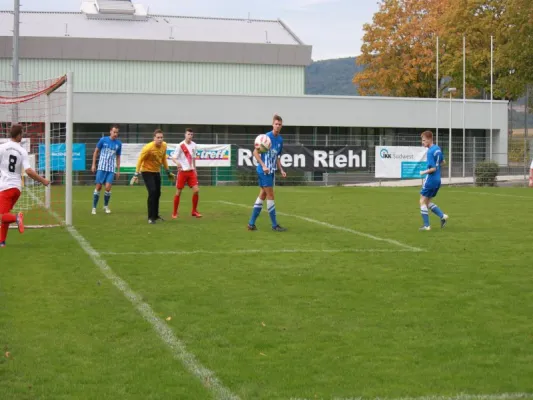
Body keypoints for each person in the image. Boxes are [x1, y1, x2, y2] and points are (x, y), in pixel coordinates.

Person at [0, 124, 50, 247]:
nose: (22, 136)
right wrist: (42, 180)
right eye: (22, 134)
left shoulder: (2, 148)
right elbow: (28, 171)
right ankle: (2, 242)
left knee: (2, 216)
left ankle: (17, 217)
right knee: (5, 214)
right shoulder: (22, 151)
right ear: (18, 135)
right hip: (16, 188)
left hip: (5, 187)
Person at [247, 114, 287, 232]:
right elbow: (255, 152)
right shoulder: (265, 138)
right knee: (270, 196)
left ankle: (251, 224)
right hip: (264, 171)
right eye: (276, 124)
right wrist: (263, 165)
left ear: (281, 126)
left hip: (271, 171)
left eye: (279, 124)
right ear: (272, 124)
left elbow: (277, 157)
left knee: (263, 195)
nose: (278, 126)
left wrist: (281, 169)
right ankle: (275, 225)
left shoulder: (280, 140)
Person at [130, 129, 175, 224]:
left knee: (158, 193)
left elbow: (163, 159)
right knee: (152, 191)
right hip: (146, 171)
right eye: (158, 137)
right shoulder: (148, 148)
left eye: (161, 137)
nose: (160, 139)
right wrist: (136, 174)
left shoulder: (164, 145)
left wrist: (168, 171)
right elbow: (140, 160)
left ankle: (155, 215)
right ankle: (150, 218)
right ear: (154, 138)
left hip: (156, 171)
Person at [419, 130, 449, 231]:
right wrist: (436, 166)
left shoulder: (430, 151)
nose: (422, 142)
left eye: (423, 140)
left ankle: (427, 226)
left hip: (431, 179)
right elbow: (443, 162)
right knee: (427, 202)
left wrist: (423, 172)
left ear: (429, 139)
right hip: (437, 180)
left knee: (422, 201)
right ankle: (442, 216)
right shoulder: (437, 149)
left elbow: (433, 169)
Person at [170, 128, 202, 219]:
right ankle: (175, 212)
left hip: (191, 172)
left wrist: (195, 169)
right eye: (188, 134)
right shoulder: (180, 145)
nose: (190, 136)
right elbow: (174, 158)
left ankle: (194, 211)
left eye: (191, 135)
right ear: (185, 135)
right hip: (182, 172)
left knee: (196, 190)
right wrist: (177, 163)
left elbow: (194, 158)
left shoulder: (194, 145)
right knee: (178, 192)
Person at [91, 124, 122, 215]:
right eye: (114, 132)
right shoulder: (103, 140)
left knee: (108, 188)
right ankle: (94, 207)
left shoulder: (118, 144)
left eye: (117, 132)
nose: (115, 134)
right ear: (110, 132)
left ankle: (105, 206)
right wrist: (93, 164)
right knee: (99, 187)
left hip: (111, 169)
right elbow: (96, 152)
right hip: (101, 167)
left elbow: (118, 157)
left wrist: (118, 170)